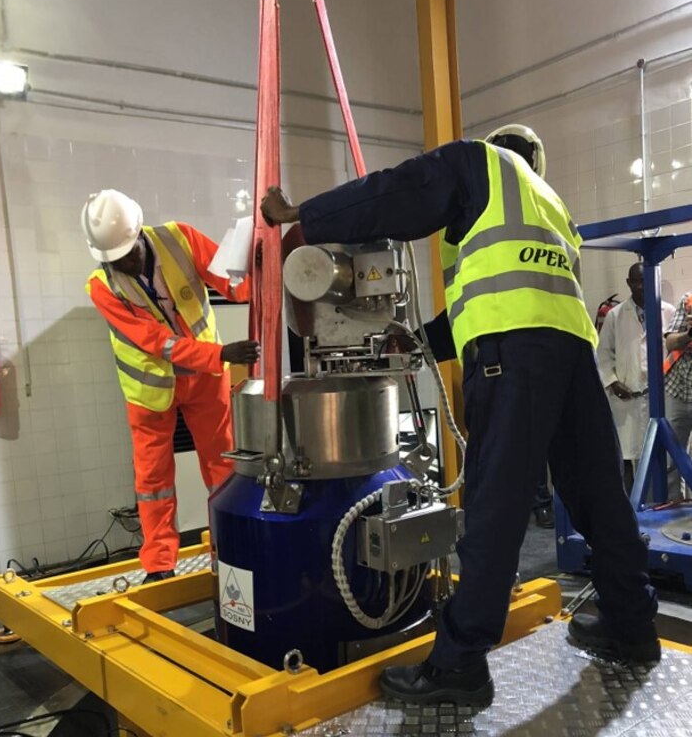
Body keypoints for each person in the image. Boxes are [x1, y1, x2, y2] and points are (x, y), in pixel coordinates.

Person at [261, 124, 659, 705]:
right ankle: (631, 625)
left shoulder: (481, 164)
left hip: (511, 355)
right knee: (600, 494)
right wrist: (418, 343)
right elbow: (503, 292)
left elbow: (399, 192)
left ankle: (460, 664)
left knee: (496, 502)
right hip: (568, 350)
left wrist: (302, 214)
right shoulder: (549, 204)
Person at [82, 189, 259, 583]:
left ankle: (229, 547)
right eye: (114, 259)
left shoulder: (180, 239)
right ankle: (159, 562)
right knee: (153, 481)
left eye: (128, 253)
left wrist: (252, 268)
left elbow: (234, 286)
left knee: (223, 466)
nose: (124, 264)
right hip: (149, 391)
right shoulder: (101, 286)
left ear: (139, 234)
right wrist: (220, 355)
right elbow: (154, 342)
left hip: (205, 381)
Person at [598, 262, 675, 493]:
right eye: (637, 281)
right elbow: (603, 355)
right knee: (632, 458)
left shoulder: (668, 311)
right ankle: (636, 513)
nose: (642, 286)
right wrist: (612, 382)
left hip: (662, 396)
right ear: (629, 283)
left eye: (646, 280)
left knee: (667, 457)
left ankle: (667, 506)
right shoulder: (615, 316)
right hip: (629, 398)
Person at [663, 290, 692, 500]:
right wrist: (689, 334)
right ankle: (672, 506)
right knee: (672, 456)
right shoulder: (688, 299)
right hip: (678, 390)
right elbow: (670, 342)